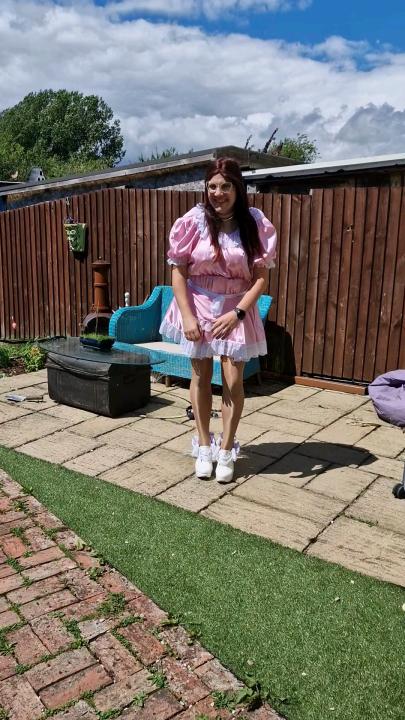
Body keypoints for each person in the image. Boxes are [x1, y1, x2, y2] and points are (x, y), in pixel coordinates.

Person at [159, 157, 277, 483]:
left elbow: (260, 279)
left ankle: (226, 448)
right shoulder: (193, 221)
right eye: (212, 186)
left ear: (237, 188)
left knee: (233, 381)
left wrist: (238, 313)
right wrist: (187, 316)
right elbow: (178, 271)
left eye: (225, 186)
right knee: (200, 376)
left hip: (235, 309)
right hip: (197, 304)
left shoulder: (254, 222)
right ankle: (203, 445)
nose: (218, 193)